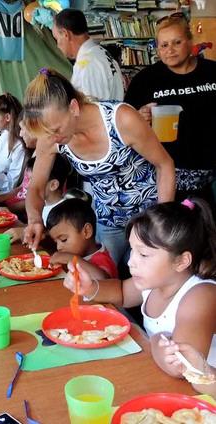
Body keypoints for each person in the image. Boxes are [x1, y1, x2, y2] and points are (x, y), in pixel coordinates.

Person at [23, 68, 175, 267]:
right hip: (108, 220)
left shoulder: (121, 119)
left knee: (146, 281)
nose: (52, 138)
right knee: (101, 279)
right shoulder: (50, 136)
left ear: (74, 108)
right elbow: (35, 188)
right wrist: (34, 219)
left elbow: (165, 165)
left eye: (56, 130)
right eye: (46, 132)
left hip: (149, 217)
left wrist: (161, 224)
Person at [63, 199, 216, 379]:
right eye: (132, 250)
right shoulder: (155, 282)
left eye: (143, 254)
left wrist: (156, 339)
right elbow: (122, 292)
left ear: (182, 261)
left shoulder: (201, 296)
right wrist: (89, 288)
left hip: (201, 397)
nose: (130, 262)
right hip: (160, 377)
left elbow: (181, 367)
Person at [125, 13, 216, 203]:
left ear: (190, 41)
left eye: (177, 42)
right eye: (164, 45)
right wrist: (139, 117)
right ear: (157, 48)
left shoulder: (212, 72)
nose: (170, 50)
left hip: (210, 176)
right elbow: (126, 123)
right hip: (165, 177)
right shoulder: (145, 80)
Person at [52, 8, 124, 101]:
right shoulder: (100, 52)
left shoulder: (88, 65)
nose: (58, 45)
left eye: (57, 38)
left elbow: (91, 110)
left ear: (66, 34)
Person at [5, 155, 71, 242]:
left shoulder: (65, 212)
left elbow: (52, 238)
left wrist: (23, 232)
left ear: (53, 185)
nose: (28, 185)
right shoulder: (41, 204)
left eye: (33, 180)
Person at [47, 198, 118, 279]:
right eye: (56, 242)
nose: (58, 247)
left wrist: (71, 258)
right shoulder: (81, 253)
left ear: (87, 231)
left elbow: (103, 280)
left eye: (64, 239)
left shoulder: (102, 259)